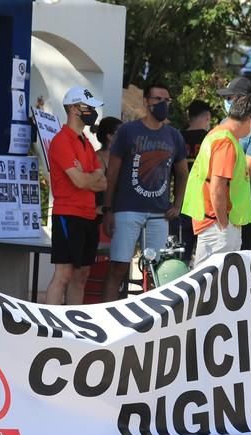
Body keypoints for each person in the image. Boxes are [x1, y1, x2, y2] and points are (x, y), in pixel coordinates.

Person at [102, 83, 188, 302]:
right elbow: (112, 173)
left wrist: (177, 204)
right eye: (158, 99)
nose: (163, 104)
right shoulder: (128, 131)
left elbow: (182, 173)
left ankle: (151, 322)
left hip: (159, 214)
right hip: (127, 210)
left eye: (167, 100)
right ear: (146, 101)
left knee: (156, 271)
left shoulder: (174, 135)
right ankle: (108, 316)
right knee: (118, 267)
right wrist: (108, 209)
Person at [45, 86, 107, 305]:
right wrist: (91, 176)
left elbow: (103, 181)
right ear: (73, 108)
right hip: (68, 215)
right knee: (63, 274)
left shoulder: (86, 142)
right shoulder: (61, 141)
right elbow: (79, 180)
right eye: (87, 106)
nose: (92, 110)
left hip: (89, 216)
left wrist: (90, 174)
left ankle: (73, 327)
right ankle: (48, 325)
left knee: (81, 276)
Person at [182, 94, 251, 266]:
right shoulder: (226, 141)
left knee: (216, 285)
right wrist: (224, 226)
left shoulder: (221, 135)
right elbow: (217, 187)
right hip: (218, 225)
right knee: (211, 285)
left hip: (217, 222)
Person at [216, 77, 251, 250]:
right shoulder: (224, 124)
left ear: (243, 100)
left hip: (244, 210)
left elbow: (246, 172)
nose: (226, 102)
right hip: (220, 206)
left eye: (230, 98)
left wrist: (217, 180)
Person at [174, 99, 211, 262]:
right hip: (205, 205)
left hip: (181, 203)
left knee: (181, 257)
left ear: (189, 117)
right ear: (208, 117)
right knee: (206, 260)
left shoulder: (177, 137)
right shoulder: (211, 140)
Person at [91, 116, 122, 221]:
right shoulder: (98, 158)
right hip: (102, 216)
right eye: (121, 133)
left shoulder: (122, 157)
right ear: (110, 136)